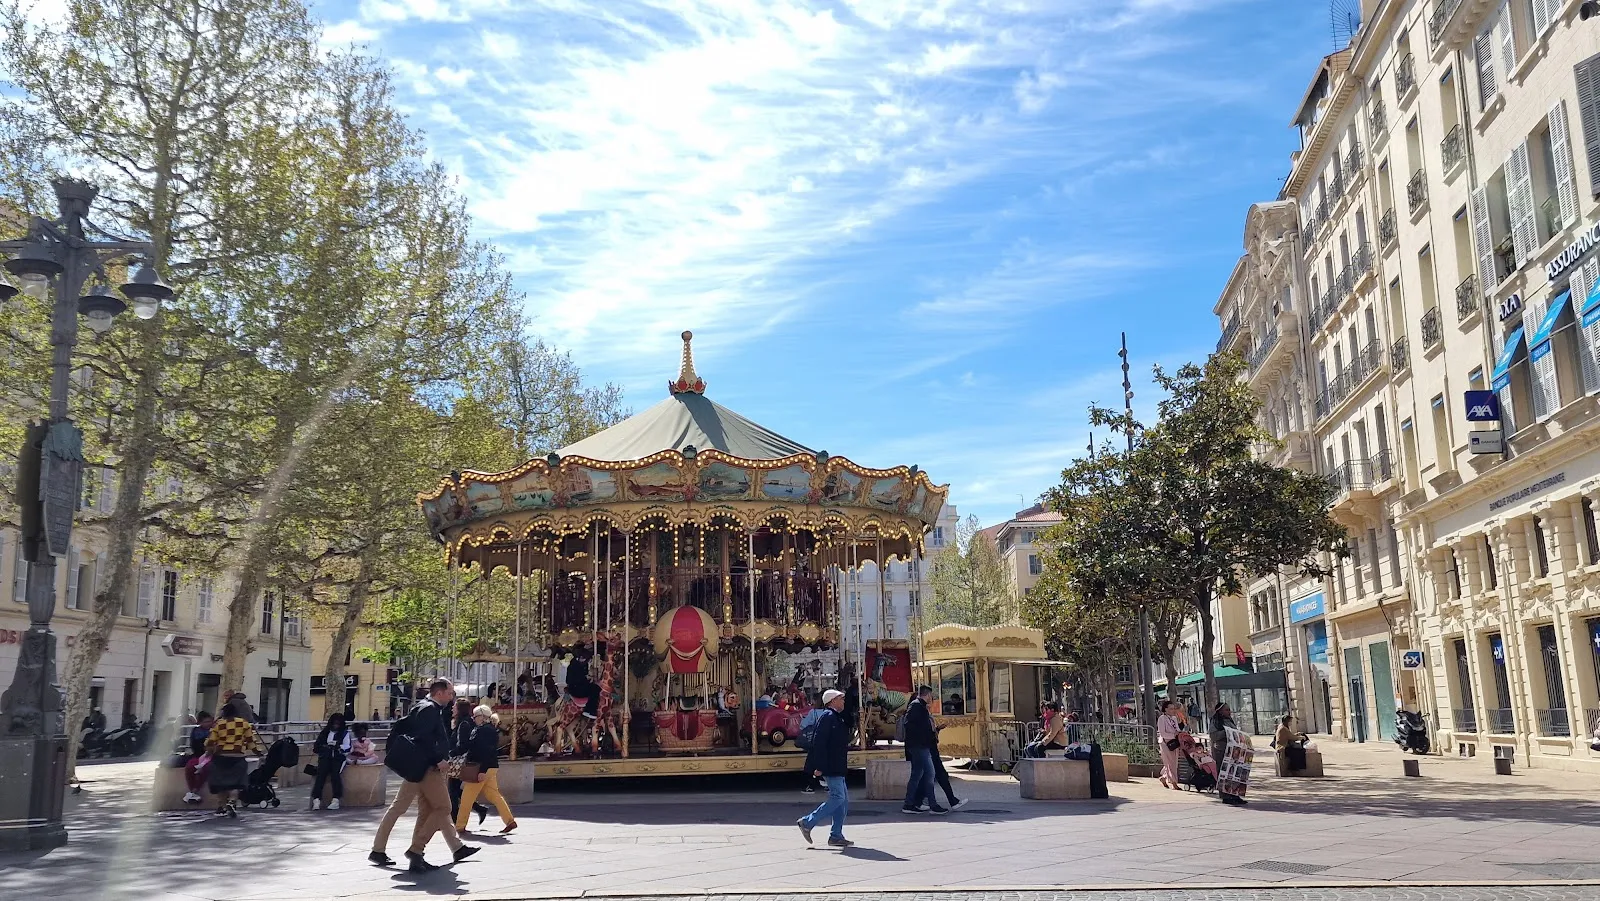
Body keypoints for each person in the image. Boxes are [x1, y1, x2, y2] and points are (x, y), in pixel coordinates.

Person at [370, 678, 480, 872]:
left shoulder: (426, 707)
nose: (452, 696)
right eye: (450, 692)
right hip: (426, 768)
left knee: (421, 810)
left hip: (419, 767)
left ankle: (404, 853)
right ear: (439, 693)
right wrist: (438, 759)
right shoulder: (429, 709)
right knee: (443, 807)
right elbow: (423, 738)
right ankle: (415, 850)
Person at [796, 689, 853, 847]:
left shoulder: (836, 717)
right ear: (832, 701)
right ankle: (808, 822)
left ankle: (836, 834)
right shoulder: (828, 717)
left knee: (843, 801)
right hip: (831, 765)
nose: (843, 701)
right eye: (841, 698)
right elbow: (819, 743)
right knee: (838, 798)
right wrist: (819, 766)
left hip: (837, 764)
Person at [454, 705, 517, 835]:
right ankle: (509, 821)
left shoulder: (483, 731)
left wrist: (482, 770)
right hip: (489, 767)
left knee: (467, 797)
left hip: (480, 767)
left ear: (482, 716)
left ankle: (460, 826)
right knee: (493, 795)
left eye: (475, 716)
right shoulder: (488, 729)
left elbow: (485, 751)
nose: (473, 718)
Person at [205, 703, 260, 817]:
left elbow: (209, 742)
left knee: (220, 783)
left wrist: (209, 753)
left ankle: (221, 806)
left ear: (224, 713)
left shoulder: (219, 725)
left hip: (221, 757)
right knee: (237, 783)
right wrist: (258, 753)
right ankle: (232, 801)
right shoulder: (244, 724)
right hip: (238, 758)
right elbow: (251, 742)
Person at [899, 685, 947, 815]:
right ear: (927, 695)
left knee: (917, 774)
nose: (931, 698)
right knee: (930, 774)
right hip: (920, 746)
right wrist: (924, 737)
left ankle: (909, 804)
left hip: (919, 746)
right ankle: (933, 805)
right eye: (931, 696)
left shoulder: (918, 706)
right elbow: (910, 725)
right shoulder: (917, 707)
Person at [448, 698, 489, 827]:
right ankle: (479, 809)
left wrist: (451, 753)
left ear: (459, 709)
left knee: (453, 791)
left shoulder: (463, 724)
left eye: (455, 706)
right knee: (456, 790)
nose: (452, 708)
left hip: (459, 761)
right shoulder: (467, 722)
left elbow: (463, 745)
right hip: (465, 761)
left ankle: (455, 819)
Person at [1209, 702, 1253, 806]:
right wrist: (1226, 732)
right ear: (1220, 711)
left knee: (1234, 774)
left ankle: (1235, 794)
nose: (1229, 712)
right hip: (1221, 751)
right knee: (1225, 774)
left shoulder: (1229, 720)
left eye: (1229, 709)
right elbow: (1213, 736)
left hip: (1234, 751)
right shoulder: (1215, 721)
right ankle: (1226, 796)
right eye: (1227, 710)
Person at [310, 713, 352, 810]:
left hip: (338, 758)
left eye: (337, 724)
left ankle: (336, 799)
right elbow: (317, 746)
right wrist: (325, 747)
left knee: (335, 776)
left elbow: (348, 747)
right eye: (334, 724)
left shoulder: (344, 733)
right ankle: (316, 800)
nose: (335, 726)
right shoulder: (325, 732)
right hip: (325, 758)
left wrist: (337, 747)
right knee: (320, 777)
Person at [182, 712, 215, 803]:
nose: (208, 723)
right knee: (190, 767)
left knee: (206, 767)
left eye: (210, 721)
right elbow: (195, 746)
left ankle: (195, 790)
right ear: (200, 723)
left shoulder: (215, 731)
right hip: (199, 755)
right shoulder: (196, 732)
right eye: (206, 721)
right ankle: (191, 790)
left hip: (212, 755)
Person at [565, 647, 600, 719]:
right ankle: (590, 710)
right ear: (581, 658)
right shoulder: (573, 667)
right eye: (586, 659)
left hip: (579, 686)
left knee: (594, 687)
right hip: (576, 689)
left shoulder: (581, 665)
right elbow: (570, 680)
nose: (587, 661)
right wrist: (585, 679)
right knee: (595, 689)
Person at [1157, 700, 1184, 790]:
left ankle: (1164, 777)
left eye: (1173, 708)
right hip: (1165, 742)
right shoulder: (1162, 718)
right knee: (1170, 762)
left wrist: (1179, 734)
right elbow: (1162, 733)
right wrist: (1173, 735)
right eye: (1171, 709)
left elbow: (1177, 728)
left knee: (1173, 762)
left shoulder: (1174, 718)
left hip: (1174, 742)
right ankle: (1174, 783)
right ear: (1165, 709)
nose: (1173, 710)